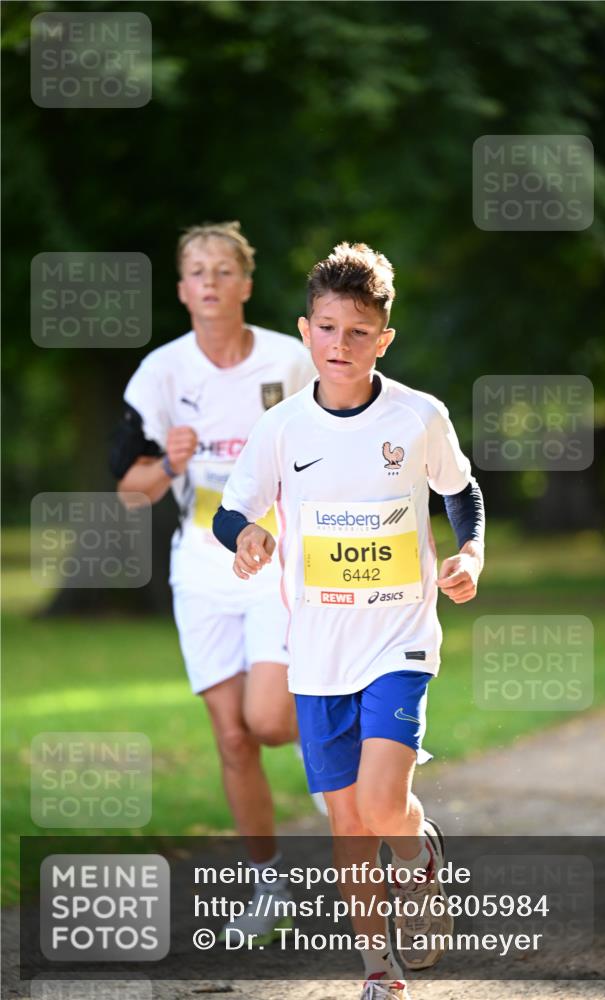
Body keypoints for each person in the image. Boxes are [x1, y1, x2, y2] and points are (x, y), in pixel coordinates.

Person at [213, 242, 485, 1000]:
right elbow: (231, 508)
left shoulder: (418, 417)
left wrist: (471, 554)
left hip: (398, 640)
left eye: (357, 332)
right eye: (328, 329)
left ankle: (420, 864)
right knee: (347, 826)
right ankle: (377, 971)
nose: (341, 346)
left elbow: (461, 492)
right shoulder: (281, 428)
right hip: (317, 654)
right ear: (306, 332)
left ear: (382, 339)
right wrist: (246, 535)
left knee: (377, 804)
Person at [111, 221, 315, 940]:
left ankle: (335, 758)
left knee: (269, 721)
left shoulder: (291, 362)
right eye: (196, 271)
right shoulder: (160, 374)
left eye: (223, 270)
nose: (209, 281)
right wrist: (169, 463)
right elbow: (128, 489)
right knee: (232, 738)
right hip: (199, 570)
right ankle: (270, 888)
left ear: (245, 285)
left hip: (276, 563)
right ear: (180, 289)